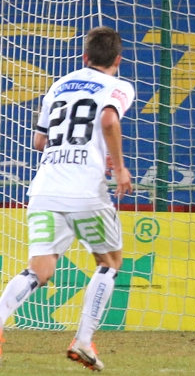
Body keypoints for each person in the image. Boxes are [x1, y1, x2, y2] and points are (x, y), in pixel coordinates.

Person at [0, 27, 135, 371]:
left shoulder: (59, 86)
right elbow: (107, 119)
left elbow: (40, 143)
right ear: (117, 60)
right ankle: (84, 341)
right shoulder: (119, 87)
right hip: (86, 190)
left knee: (39, 270)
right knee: (109, 263)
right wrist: (118, 167)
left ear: (84, 57)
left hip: (45, 189)